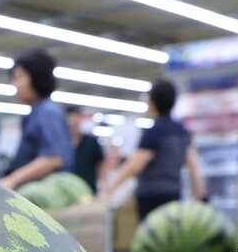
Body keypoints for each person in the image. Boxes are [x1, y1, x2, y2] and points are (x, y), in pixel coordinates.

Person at [102, 79, 206, 218]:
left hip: (151, 198)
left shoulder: (154, 132)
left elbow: (135, 165)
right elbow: (193, 165)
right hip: (174, 195)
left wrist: (111, 188)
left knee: (152, 236)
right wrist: (200, 195)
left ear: (153, 101)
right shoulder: (183, 132)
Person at [0, 49, 71, 190]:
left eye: (19, 77)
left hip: (43, 192)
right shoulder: (35, 113)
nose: (14, 84)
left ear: (36, 77)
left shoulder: (47, 112)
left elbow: (53, 158)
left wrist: (12, 180)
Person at [67, 106, 103, 192]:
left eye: (76, 118)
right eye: (71, 118)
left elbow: (101, 164)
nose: (74, 122)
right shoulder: (61, 143)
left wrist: (101, 183)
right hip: (67, 188)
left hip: (88, 187)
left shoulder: (91, 142)